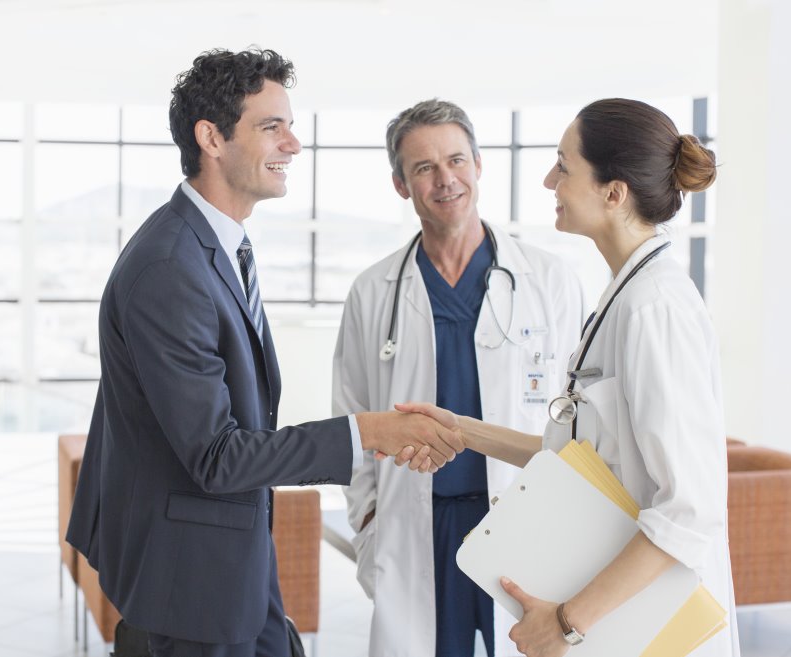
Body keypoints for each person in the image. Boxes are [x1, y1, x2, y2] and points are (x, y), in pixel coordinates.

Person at [65, 49, 462, 657]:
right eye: (271, 126)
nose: (294, 144)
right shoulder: (171, 267)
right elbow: (217, 455)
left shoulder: (215, 248)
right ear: (211, 139)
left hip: (229, 560)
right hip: (185, 585)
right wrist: (370, 432)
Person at [400, 98, 739, 657]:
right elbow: (575, 460)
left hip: (644, 624)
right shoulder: (623, 296)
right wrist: (459, 429)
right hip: (611, 611)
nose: (548, 179)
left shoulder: (656, 309)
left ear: (614, 192)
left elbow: (688, 509)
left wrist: (566, 623)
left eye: (564, 165)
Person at [333, 99, 585, 657]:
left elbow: (581, 417)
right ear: (401, 185)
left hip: (521, 518)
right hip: (416, 526)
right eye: (423, 168)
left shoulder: (550, 281)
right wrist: (369, 522)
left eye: (455, 160)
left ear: (478, 164)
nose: (445, 179)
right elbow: (351, 419)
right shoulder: (373, 292)